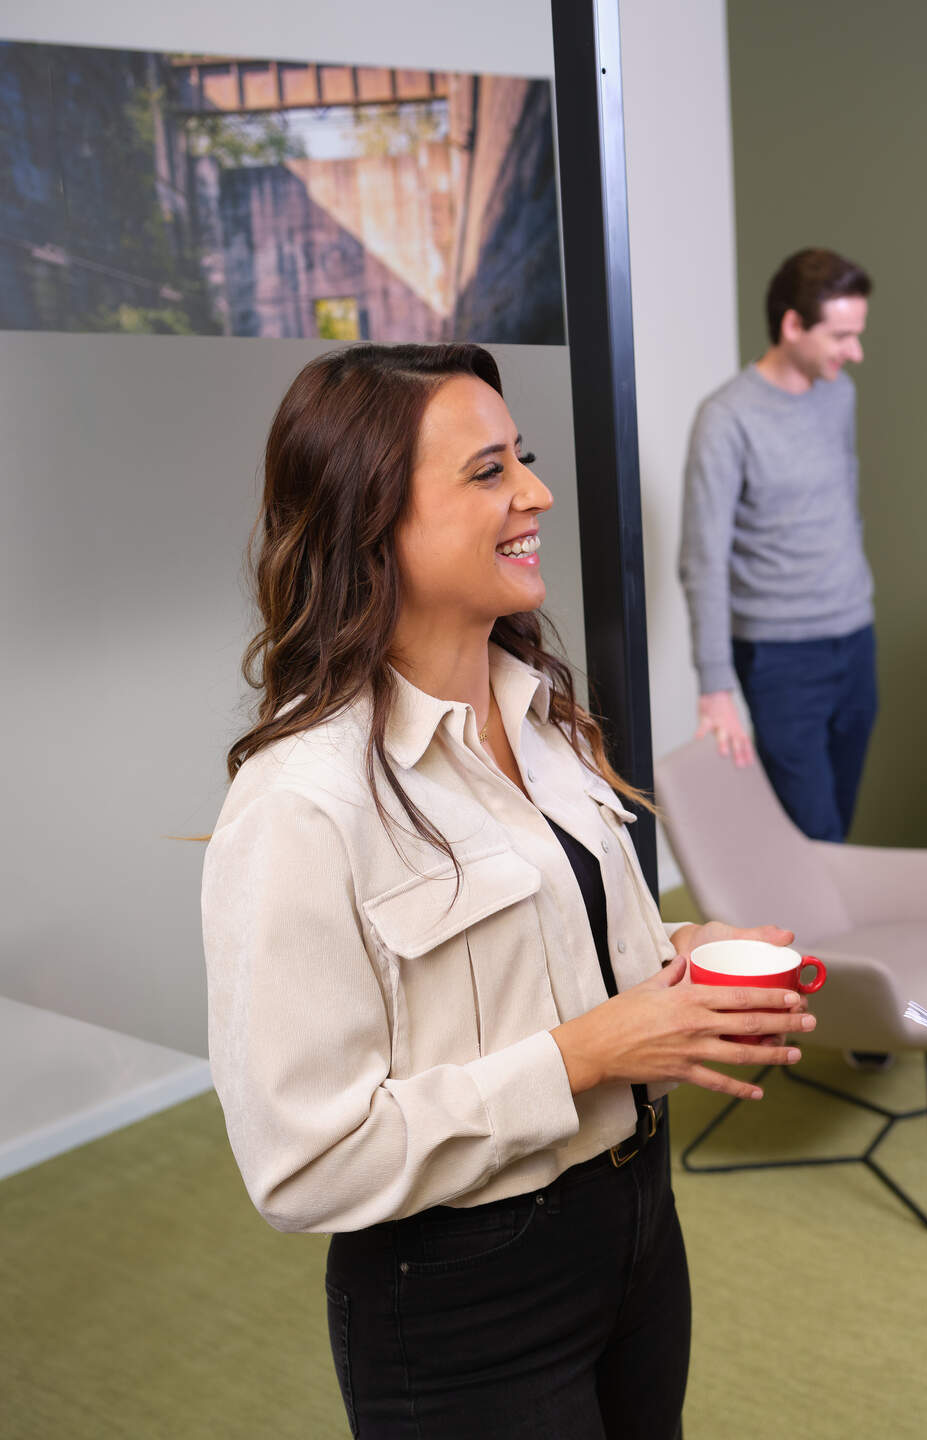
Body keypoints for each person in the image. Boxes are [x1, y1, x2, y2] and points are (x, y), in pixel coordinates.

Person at [203, 343, 816, 1439]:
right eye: (489, 471)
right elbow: (304, 1165)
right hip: (465, 1292)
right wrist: (586, 1056)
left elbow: (534, 955)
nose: (536, 493)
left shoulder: (544, 721)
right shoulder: (300, 804)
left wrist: (672, 959)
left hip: (637, 1223)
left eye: (521, 459)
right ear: (371, 519)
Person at [680, 246, 877, 842]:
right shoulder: (726, 418)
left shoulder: (839, 394)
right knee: (813, 836)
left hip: (855, 640)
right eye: (841, 336)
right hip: (779, 657)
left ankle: (828, 908)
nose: (855, 352)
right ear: (793, 325)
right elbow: (702, 559)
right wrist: (715, 686)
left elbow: (841, 502)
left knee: (838, 824)